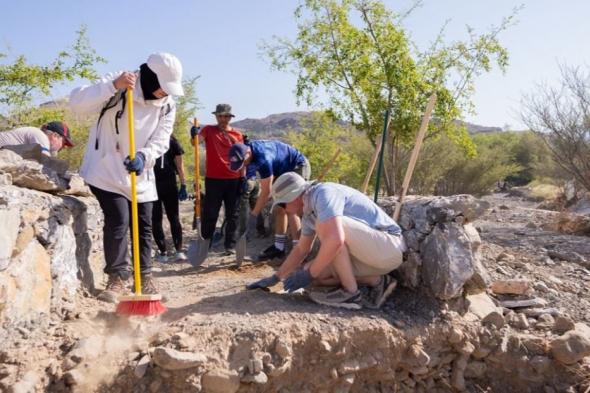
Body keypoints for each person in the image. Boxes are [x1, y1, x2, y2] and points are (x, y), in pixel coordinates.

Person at [69, 52, 183, 303]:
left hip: (140, 173)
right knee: (119, 219)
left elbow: (162, 140)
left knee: (144, 225)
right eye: (163, 88)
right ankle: (117, 277)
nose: (165, 93)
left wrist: (145, 156)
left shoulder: (168, 105)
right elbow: (76, 103)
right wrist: (112, 86)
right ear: (151, 78)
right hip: (106, 169)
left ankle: (144, 275)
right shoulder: (119, 85)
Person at [246, 172, 405, 310]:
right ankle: (377, 280)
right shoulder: (309, 214)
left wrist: (309, 273)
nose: (284, 209)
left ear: (293, 197)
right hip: (371, 255)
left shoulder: (323, 193)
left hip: (389, 247)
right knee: (316, 277)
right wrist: (277, 277)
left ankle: (351, 293)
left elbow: (335, 239)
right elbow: (302, 249)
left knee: (326, 232)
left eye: (282, 203)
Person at [228, 140, 310, 261]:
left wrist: (254, 215)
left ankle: (299, 250)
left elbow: (266, 191)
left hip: (297, 165)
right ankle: (279, 248)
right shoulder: (249, 153)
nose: (243, 165)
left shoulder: (263, 158)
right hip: (281, 170)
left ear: (248, 153)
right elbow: (267, 187)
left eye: (243, 162)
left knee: (291, 208)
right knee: (279, 207)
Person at [190, 104, 243, 255]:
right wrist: (193, 135)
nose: (223, 119)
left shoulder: (238, 135)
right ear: (216, 116)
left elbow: (242, 157)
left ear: (230, 117)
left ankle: (230, 246)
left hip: (234, 178)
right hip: (213, 179)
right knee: (210, 213)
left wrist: (244, 178)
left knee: (233, 214)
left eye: (226, 116)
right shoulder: (208, 130)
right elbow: (195, 143)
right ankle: (206, 245)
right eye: (220, 116)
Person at [152, 134, 188, 262]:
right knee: (162, 218)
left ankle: (171, 252)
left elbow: (179, 165)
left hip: (162, 184)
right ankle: (169, 252)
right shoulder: (170, 140)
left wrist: (183, 184)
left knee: (166, 218)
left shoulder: (169, 140)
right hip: (157, 184)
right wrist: (183, 183)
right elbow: (179, 166)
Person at [0, 121, 74, 156]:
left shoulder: (35, 134)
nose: (63, 147)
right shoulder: (41, 136)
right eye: (63, 143)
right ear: (54, 136)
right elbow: (45, 165)